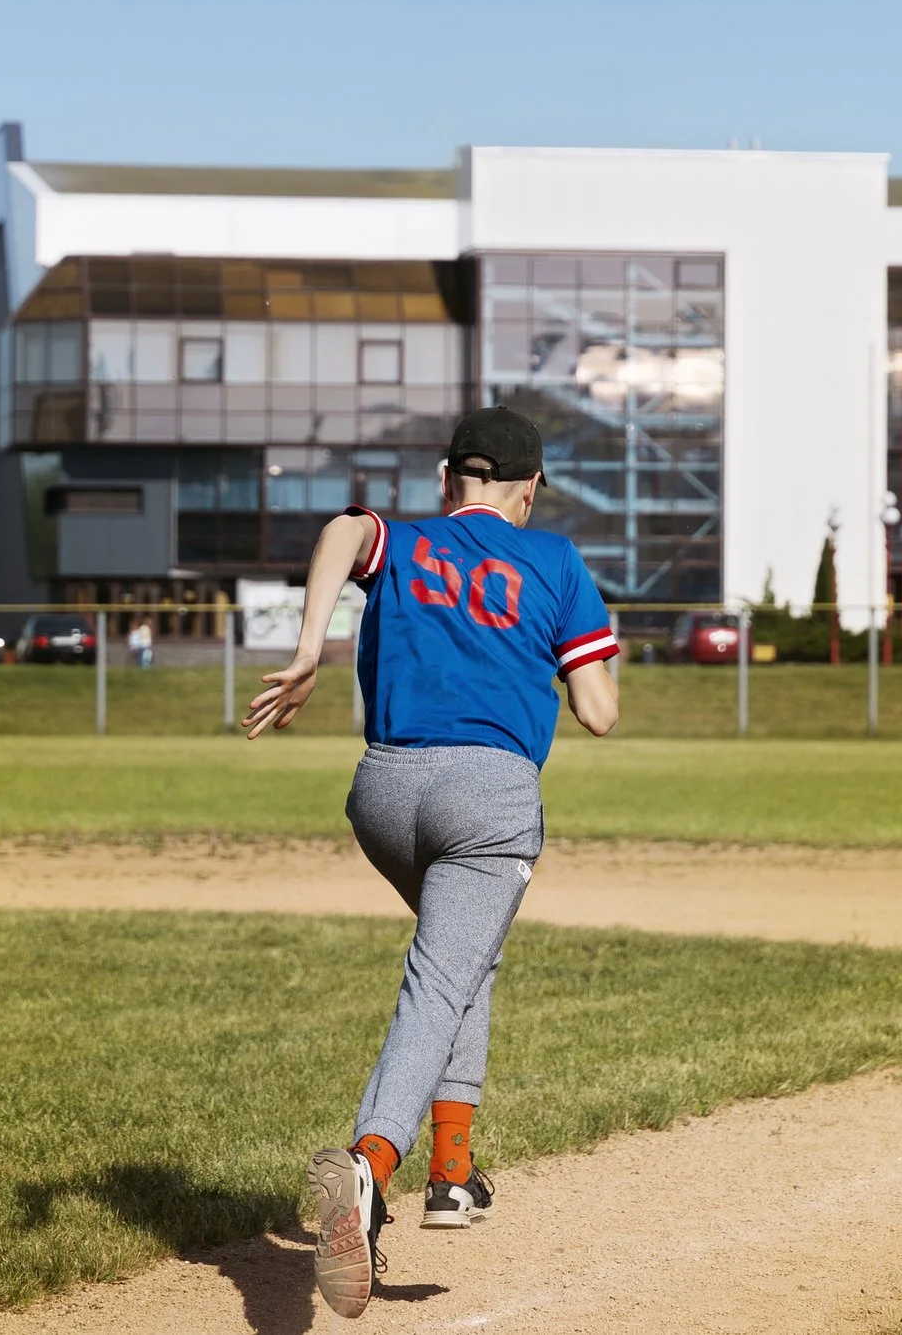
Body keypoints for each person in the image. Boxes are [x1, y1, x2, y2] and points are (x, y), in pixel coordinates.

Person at [245, 406, 621, 1320]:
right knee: (439, 980)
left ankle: (453, 1176)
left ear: (449, 481)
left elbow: (342, 530)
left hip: (382, 793)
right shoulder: (555, 560)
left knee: (462, 964)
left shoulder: (403, 544)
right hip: (485, 799)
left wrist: (308, 652)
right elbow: (599, 711)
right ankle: (371, 1170)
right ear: (527, 490)